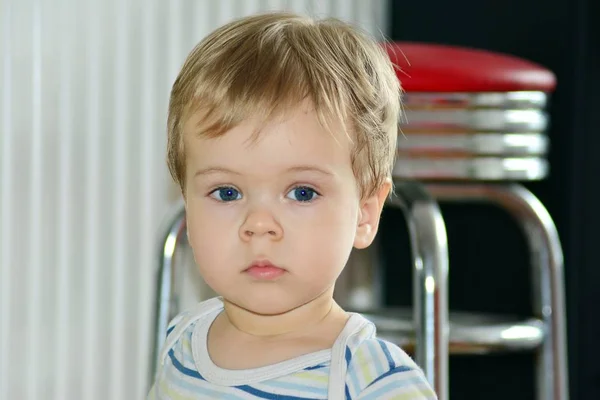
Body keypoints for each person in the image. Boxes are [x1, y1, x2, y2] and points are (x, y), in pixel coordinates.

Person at [148, 11, 437, 400]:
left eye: (302, 192)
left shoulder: (368, 378)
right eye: (227, 193)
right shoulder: (182, 342)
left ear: (364, 213)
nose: (260, 225)